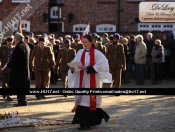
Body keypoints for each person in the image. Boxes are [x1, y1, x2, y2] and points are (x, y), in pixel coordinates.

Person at [68, 34, 111, 130]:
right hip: (81, 80)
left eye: (86, 42)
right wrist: (72, 68)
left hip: (92, 80)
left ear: (91, 42)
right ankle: (83, 123)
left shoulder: (97, 54)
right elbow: (75, 63)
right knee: (81, 100)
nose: (84, 44)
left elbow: (103, 66)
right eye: (83, 42)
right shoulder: (80, 52)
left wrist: (87, 68)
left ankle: (86, 123)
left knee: (86, 100)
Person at [7, 33, 31, 106]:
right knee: (22, 86)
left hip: (19, 71)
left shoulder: (19, 47)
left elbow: (16, 60)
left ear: (17, 39)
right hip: (24, 70)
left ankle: (21, 101)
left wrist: (9, 64)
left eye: (14, 38)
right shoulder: (26, 45)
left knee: (19, 85)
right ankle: (23, 100)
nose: (14, 40)